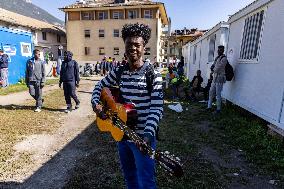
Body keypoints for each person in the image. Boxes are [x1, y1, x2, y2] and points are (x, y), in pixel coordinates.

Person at [92, 23, 163, 189]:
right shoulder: (119, 71)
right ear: (124, 46)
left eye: (137, 45)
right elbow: (99, 87)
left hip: (142, 138)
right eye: (129, 44)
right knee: (129, 177)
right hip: (122, 135)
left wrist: (147, 135)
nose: (133, 48)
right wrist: (96, 104)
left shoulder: (153, 75)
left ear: (144, 47)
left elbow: (157, 108)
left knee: (146, 181)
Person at [207, 45, 227, 114]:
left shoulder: (224, 59)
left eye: (220, 50)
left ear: (223, 50)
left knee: (218, 94)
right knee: (211, 92)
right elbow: (213, 66)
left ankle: (218, 109)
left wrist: (213, 69)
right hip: (214, 78)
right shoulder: (217, 58)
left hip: (220, 78)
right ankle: (209, 107)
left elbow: (218, 68)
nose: (219, 51)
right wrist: (212, 70)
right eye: (218, 50)